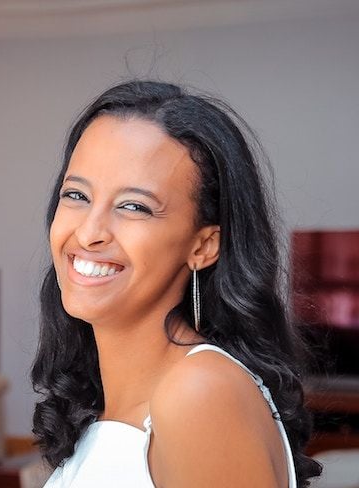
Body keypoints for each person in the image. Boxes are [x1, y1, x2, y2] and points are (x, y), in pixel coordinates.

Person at [31, 80, 322, 487]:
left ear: (203, 246)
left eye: (134, 206)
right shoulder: (112, 403)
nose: (89, 232)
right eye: (77, 195)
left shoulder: (200, 392)